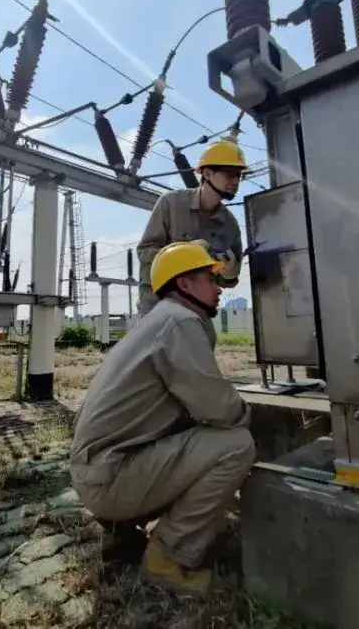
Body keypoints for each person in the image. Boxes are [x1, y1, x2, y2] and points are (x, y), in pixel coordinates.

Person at [69, 241, 255, 595]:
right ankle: (167, 561)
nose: (219, 287)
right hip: (111, 479)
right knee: (235, 445)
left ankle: (123, 527)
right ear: (184, 284)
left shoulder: (157, 321)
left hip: (97, 472)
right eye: (210, 277)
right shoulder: (180, 322)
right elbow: (220, 409)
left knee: (202, 437)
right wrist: (251, 415)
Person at [135, 139, 246, 321]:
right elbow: (144, 252)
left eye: (239, 175)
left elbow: (228, 281)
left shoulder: (230, 225)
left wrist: (229, 272)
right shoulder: (171, 203)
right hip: (157, 306)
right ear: (208, 174)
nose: (235, 181)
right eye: (230, 174)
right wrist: (186, 252)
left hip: (196, 310)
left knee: (204, 342)